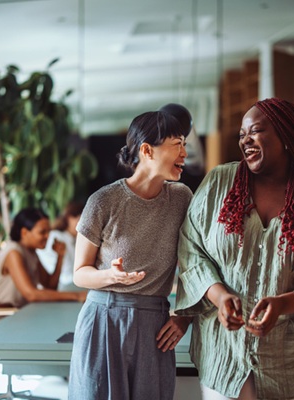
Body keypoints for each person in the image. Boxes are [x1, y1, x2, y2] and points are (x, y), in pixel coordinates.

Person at [175, 97, 294, 400]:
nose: (245, 140)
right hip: (224, 352)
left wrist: (285, 303)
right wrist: (220, 297)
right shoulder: (218, 184)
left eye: (256, 130)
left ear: (286, 136)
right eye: (241, 135)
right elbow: (190, 251)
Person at [68, 109, 194, 400]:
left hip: (156, 325)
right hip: (104, 319)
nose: (185, 153)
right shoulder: (103, 201)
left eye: (184, 143)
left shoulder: (182, 198)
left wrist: (184, 317)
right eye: (177, 144)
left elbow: (194, 262)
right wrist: (109, 276)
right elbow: (79, 274)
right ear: (147, 150)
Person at [0, 207, 87, 333]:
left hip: (15, 318)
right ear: (24, 232)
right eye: (42, 232)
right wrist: (77, 295)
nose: (47, 237)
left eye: (48, 231)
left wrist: (60, 257)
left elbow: (50, 286)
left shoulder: (31, 252)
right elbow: (31, 294)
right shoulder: (13, 253)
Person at [37, 201, 85, 291]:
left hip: (67, 285)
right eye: (82, 220)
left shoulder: (73, 240)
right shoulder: (57, 237)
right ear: (70, 218)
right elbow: (67, 273)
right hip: (61, 286)